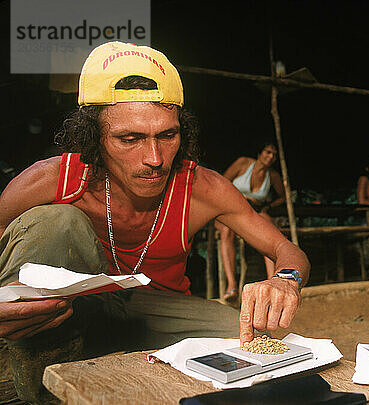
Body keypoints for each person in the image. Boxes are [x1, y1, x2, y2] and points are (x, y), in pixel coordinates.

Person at [0, 41, 310, 403]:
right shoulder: (51, 179)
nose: (154, 158)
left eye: (167, 135)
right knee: (55, 222)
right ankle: (44, 395)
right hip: (73, 312)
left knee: (266, 344)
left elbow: (284, 248)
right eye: (129, 138)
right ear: (93, 138)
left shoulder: (202, 188)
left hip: (159, 310)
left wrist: (286, 280)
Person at [215, 142, 285, 302]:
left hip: (252, 212)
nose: (271, 157)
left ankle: (273, 281)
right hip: (229, 208)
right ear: (260, 152)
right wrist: (239, 198)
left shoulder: (273, 176)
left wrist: (268, 206)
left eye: (274, 155)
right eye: (268, 152)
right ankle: (231, 286)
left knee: (269, 230)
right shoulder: (243, 163)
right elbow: (220, 183)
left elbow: (283, 196)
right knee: (226, 231)